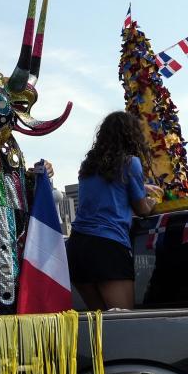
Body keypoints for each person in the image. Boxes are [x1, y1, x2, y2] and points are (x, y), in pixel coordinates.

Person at [67, 111, 162, 310]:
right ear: (131, 135)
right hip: (108, 246)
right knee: (123, 322)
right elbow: (142, 209)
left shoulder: (88, 167)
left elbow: (109, 190)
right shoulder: (130, 162)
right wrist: (152, 202)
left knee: (100, 323)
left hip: (77, 248)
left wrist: (141, 188)